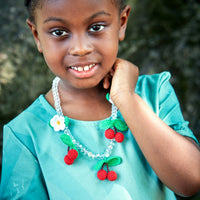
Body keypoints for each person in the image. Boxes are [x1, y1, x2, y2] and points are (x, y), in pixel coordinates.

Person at [0, 0, 200, 199]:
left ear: (122, 23)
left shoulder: (154, 93)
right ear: (36, 35)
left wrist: (127, 99)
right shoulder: (25, 135)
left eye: (96, 27)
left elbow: (191, 181)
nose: (80, 49)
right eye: (59, 32)